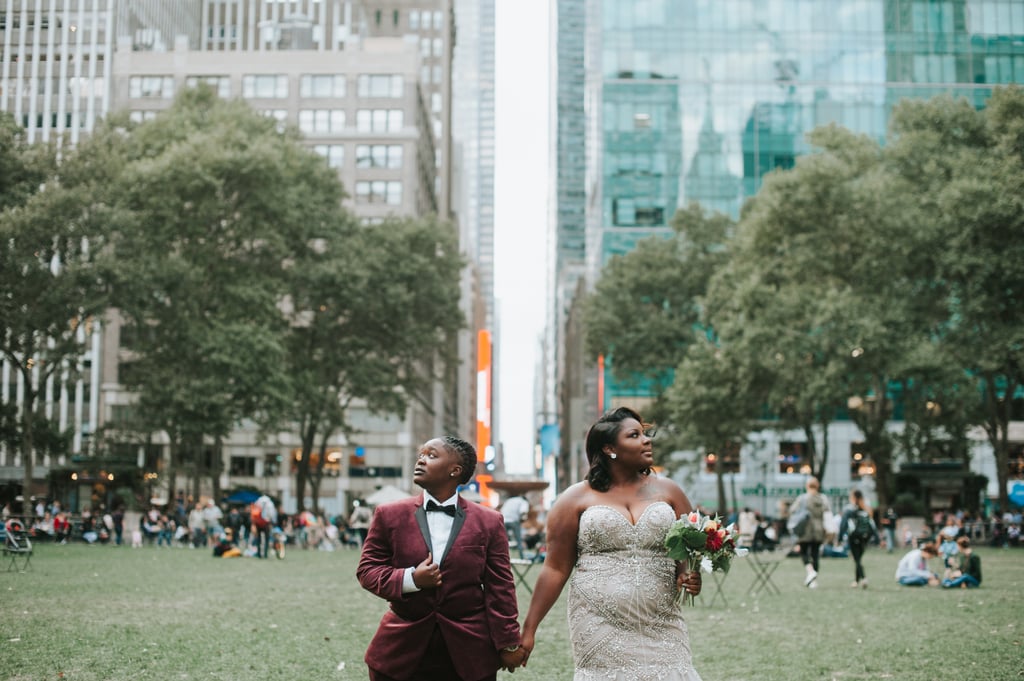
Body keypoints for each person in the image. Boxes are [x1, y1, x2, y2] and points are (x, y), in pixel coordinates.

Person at [518, 406, 703, 680]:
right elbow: (555, 569)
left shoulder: (669, 491)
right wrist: (529, 629)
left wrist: (689, 575)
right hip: (598, 621)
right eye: (634, 435)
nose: (646, 440)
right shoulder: (574, 498)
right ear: (609, 449)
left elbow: (688, 548)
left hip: (661, 619)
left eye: (645, 434)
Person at [357, 435, 525, 681]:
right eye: (421, 455)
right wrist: (411, 579)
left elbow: (500, 587)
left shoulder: (489, 521)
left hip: (470, 652)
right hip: (400, 649)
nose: (421, 460)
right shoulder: (388, 515)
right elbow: (367, 571)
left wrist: (508, 643)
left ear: (455, 471)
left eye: (431, 455)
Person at [789, 476, 831, 588]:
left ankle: (810, 571)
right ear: (818, 486)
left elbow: (792, 510)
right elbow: (827, 513)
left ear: (807, 486)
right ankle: (814, 581)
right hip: (819, 530)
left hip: (805, 530)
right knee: (815, 554)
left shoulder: (803, 498)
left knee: (803, 552)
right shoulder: (823, 498)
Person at [839, 489, 878, 588]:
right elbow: (872, 525)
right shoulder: (867, 509)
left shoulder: (850, 509)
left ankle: (864, 578)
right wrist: (876, 538)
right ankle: (856, 581)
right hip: (865, 538)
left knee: (856, 559)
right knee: (858, 559)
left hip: (854, 537)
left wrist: (840, 537)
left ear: (852, 497)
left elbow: (843, 524)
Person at [500, 493, 530, 558]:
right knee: (519, 540)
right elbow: (523, 512)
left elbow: (502, 510)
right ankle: (522, 557)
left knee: (504, 541)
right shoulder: (523, 501)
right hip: (514, 521)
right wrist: (522, 520)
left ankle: (504, 557)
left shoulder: (509, 500)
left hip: (504, 520)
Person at [250, 494, 277, 559]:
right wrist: (273, 522)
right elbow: (272, 514)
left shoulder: (258, 502)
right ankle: (265, 554)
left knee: (258, 539)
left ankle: (259, 553)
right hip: (266, 523)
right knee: (266, 539)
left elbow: (253, 513)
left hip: (258, 523)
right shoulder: (270, 504)